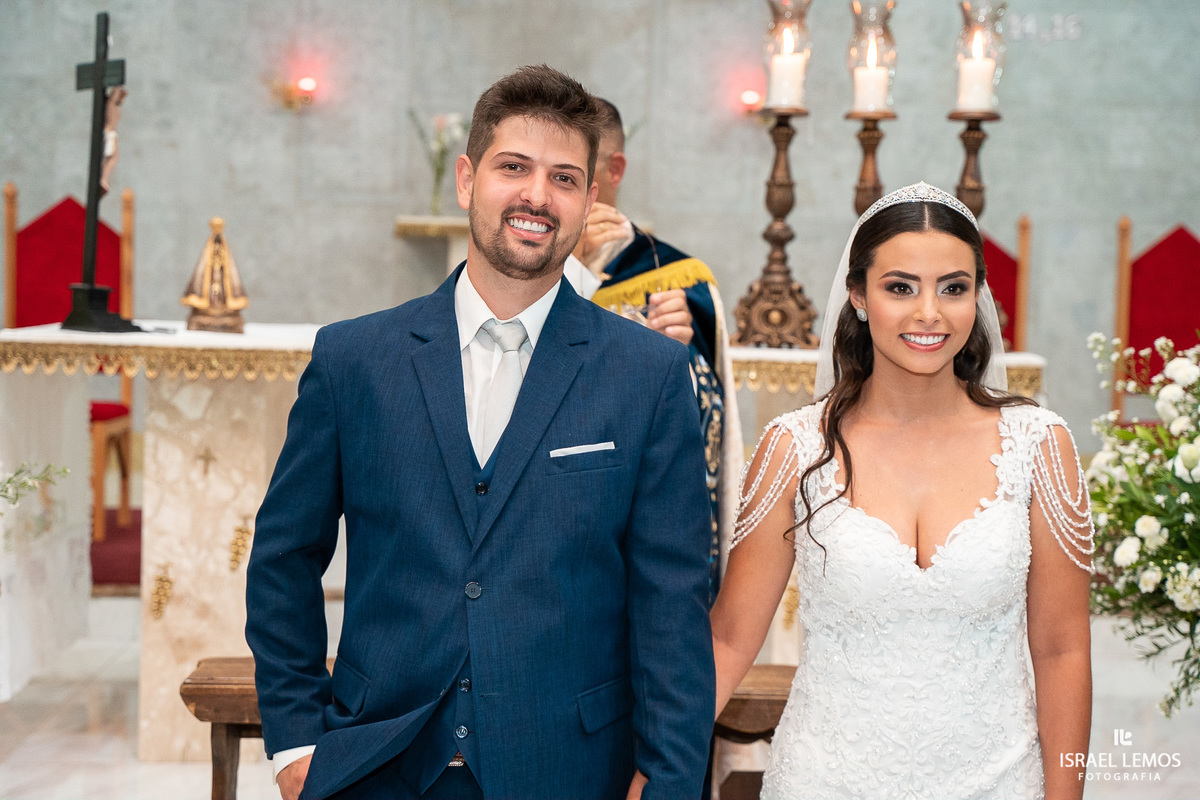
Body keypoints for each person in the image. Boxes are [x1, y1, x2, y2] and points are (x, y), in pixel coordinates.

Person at [245, 65, 715, 800]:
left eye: (564, 177)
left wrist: (669, 779)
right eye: (513, 168)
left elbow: (672, 603)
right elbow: (283, 557)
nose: (537, 195)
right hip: (377, 761)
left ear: (592, 200)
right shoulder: (354, 359)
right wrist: (296, 744)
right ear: (467, 179)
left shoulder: (648, 376)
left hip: (569, 767)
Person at [710, 182, 1094, 800]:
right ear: (858, 295)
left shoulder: (1038, 446)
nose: (929, 314)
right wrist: (654, 770)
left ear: (978, 298)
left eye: (953, 287)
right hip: (825, 780)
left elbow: (1062, 650)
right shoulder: (796, 448)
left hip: (997, 781)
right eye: (900, 287)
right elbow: (729, 637)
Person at [567, 98, 739, 603]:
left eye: (575, 172)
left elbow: (711, 427)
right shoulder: (523, 275)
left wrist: (675, 360)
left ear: (614, 171)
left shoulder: (677, 279)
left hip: (640, 518)